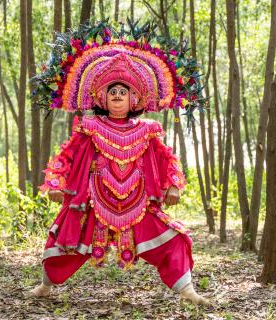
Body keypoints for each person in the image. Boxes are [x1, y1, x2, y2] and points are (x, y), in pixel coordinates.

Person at [29, 23, 210, 305]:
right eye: (111, 91)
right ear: (101, 96)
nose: (116, 95)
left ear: (134, 98)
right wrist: (56, 182)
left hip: (139, 203)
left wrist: (173, 185)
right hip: (94, 201)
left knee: (173, 238)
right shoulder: (89, 127)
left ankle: (187, 290)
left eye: (122, 92)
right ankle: (45, 285)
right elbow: (67, 157)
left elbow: (167, 160)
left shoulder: (148, 130)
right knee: (63, 242)